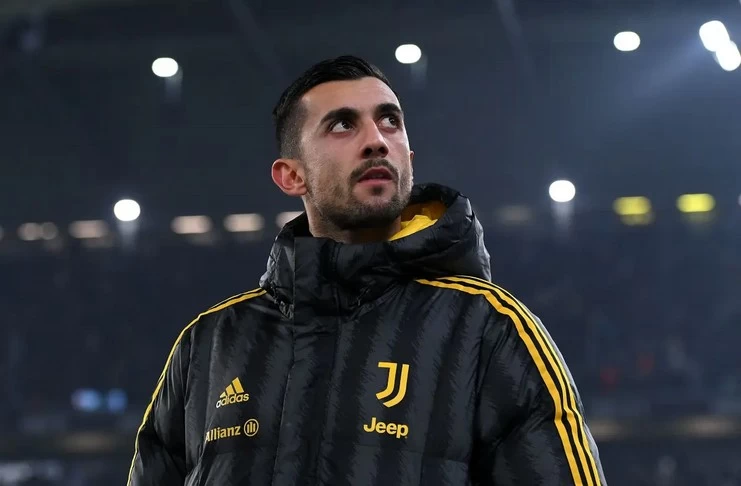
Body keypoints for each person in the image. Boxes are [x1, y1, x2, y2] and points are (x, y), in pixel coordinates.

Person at [127, 55, 607, 486]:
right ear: (291, 175)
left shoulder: (489, 328)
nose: (376, 141)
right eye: (342, 125)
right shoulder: (209, 344)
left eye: (390, 122)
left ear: (409, 160)